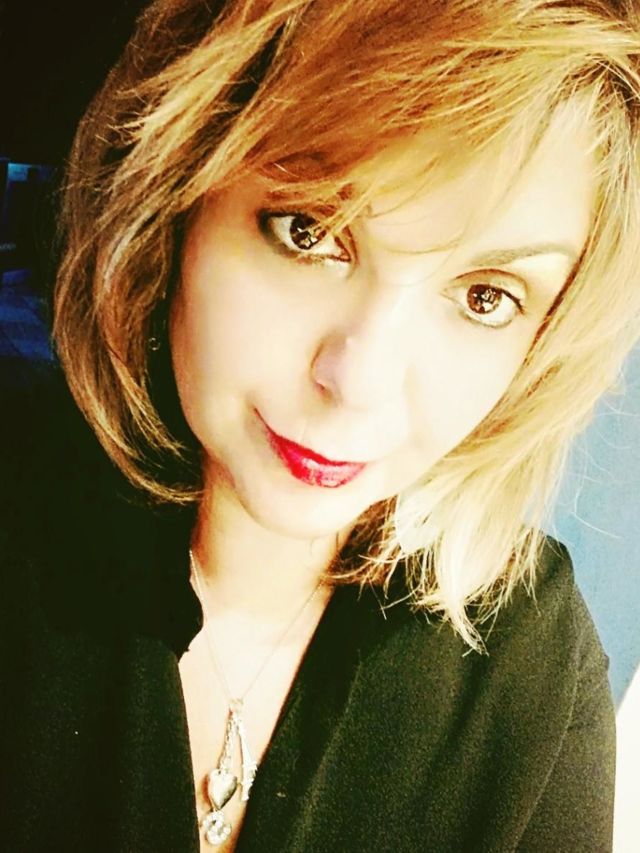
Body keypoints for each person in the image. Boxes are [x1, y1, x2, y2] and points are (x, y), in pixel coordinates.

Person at [1, 0, 639, 850]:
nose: (359, 383)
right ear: (178, 200)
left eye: (486, 297)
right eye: (309, 231)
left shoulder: (531, 667)